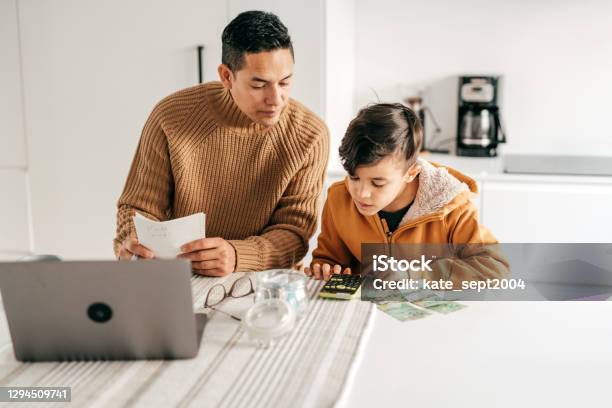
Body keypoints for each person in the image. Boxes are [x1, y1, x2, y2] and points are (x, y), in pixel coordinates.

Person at [114, 11, 329, 276]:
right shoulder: (171, 116)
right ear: (226, 76)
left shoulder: (310, 135)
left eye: (285, 82)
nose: (276, 98)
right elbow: (138, 208)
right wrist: (133, 243)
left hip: (264, 283)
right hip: (177, 276)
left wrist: (237, 256)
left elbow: (294, 234)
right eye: (259, 84)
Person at [305, 103, 508, 284]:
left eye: (378, 183)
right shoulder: (338, 198)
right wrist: (325, 268)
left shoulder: (451, 206)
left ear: (411, 173)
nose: (362, 193)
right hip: (367, 315)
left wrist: (416, 275)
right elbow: (329, 259)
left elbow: (495, 267)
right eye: (354, 177)